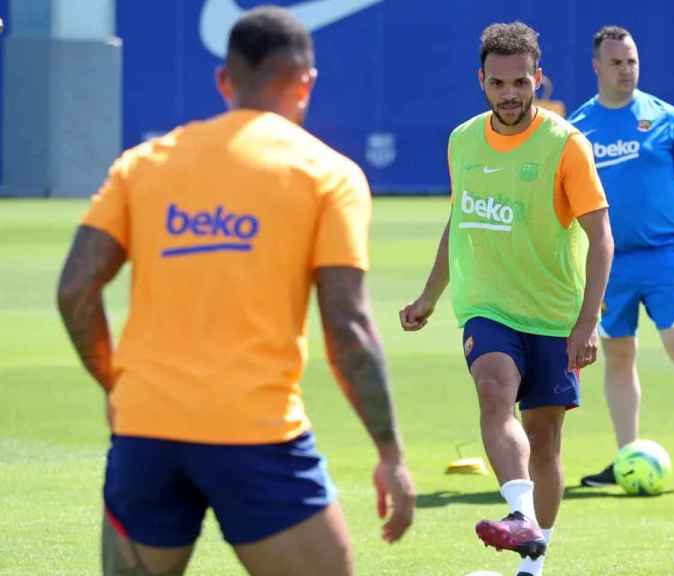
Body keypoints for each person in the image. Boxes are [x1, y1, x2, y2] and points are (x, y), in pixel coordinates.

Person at [55, 7, 414, 575]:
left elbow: (75, 288)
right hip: (257, 436)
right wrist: (390, 452)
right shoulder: (328, 174)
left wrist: (116, 382)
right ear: (307, 82)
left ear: (225, 80)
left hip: (145, 432)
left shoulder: (143, 164)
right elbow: (347, 327)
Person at [399, 22, 612, 576]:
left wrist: (588, 322)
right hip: (486, 305)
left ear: (538, 78)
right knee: (494, 392)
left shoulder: (567, 145)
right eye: (498, 83)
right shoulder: (462, 140)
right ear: (482, 82)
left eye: (521, 82)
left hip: (554, 313)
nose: (511, 94)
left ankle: (532, 567)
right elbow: (460, 219)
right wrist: (429, 296)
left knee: (546, 443)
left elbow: (601, 235)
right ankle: (519, 513)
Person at [569, 26, 674, 489]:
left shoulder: (665, 118)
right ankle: (627, 455)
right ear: (597, 67)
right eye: (617, 62)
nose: (626, 70)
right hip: (609, 264)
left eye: (632, 61)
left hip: (665, 257)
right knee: (618, 355)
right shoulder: (579, 128)